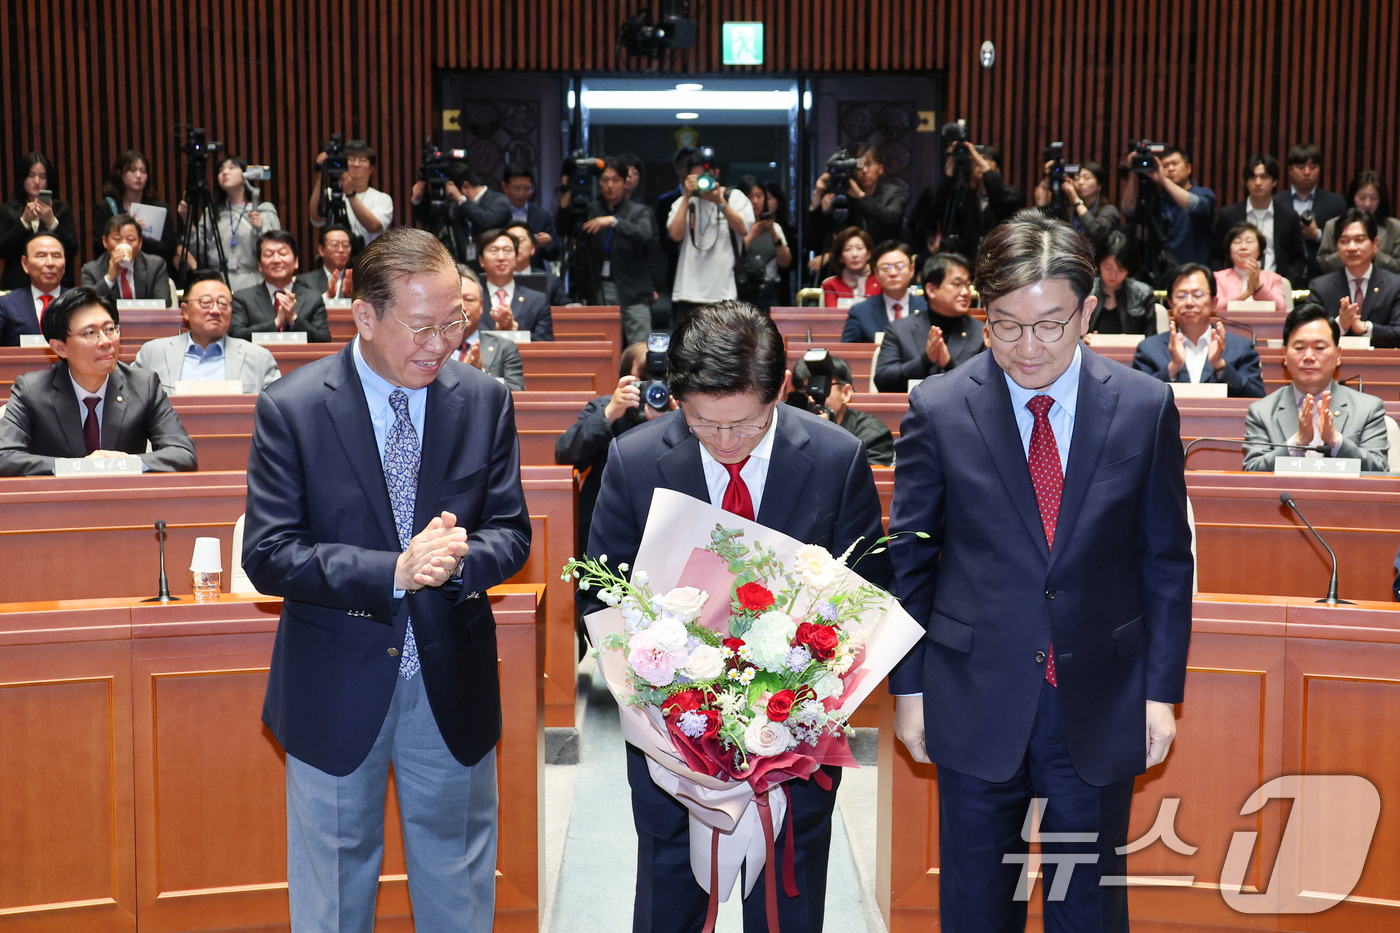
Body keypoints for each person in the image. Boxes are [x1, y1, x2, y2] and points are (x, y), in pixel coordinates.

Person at [888, 210, 1193, 933]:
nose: (1028, 348)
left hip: (1099, 697)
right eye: (1006, 325)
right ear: (982, 316)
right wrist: (910, 688)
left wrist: (1160, 693)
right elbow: (910, 560)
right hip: (973, 694)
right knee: (975, 906)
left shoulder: (1144, 406)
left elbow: (1165, 561)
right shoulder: (939, 406)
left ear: (1087, 312)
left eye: (1050, 325)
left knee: (1085, 906)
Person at [243, 227, 531, 933]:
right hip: (334, 680)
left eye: (453, 322)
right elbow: (269, 552)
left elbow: (511, 531)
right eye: (422, 327)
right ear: (364, 316)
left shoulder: (484, 400)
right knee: (335, 891)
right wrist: (393, 571)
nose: (442, 344)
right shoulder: (293, 407)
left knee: (457, 879)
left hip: (450, 677)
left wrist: (459, 559)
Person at [583, 300, 892, 933]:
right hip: (672, 734)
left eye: (746, 424)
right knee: (670, 897)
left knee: (786, 899)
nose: (726, 442)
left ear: (780, 389)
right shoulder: (634, 461)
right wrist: (665, 687)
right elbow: (600, 594)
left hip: (794, 733)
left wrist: (797, 688)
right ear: (678, 397)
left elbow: (868, 592)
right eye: (703, 422)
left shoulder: (836, 458)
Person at [0, 287, 197, 476]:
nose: (105, 341)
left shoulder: (144, 385)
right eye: (90, 333)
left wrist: (122, 464)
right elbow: (4, 456)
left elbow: (182, 453)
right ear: (60, 348)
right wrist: (79, 467)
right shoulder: (31, 391)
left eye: (110, 329)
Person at [554, 341, 671, 555]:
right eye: (644, 379)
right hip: (608, 521)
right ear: (625, 381)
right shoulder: (605, 407)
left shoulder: (681, 411)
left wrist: (672, 422)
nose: (653, 388)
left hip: (664, 523)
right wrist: (609, 414)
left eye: (661, 379)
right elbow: (565, 455)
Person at [1243, 303, 1388, 472]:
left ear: (1338, 355)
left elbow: (1380, 470)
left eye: (1319, 348)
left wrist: (1336, 441)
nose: (1309, 356)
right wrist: (1296, 442)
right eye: (1299, 348)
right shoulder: (1262, 412)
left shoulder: (1368, 409)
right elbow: (1252, 471)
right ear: (1285, 355)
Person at [558, 157, 658, 344]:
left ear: (625, 182)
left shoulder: (638, 211)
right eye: (605, 180)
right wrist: (567, 192)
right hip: (599, 287)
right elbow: (563, 229)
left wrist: (614, 221)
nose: (610, 185)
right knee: (604, 344)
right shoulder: (591, 210)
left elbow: (645, 234)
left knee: (640, 345)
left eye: (615, 180)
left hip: (632, 289)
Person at [133, 270, 281, 393]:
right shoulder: (153, 354)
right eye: (205, 302)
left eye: (223, 303)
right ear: (185, 311)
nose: (215, 310)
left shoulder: (259, 358)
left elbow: (275, 410)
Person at [1132, 263, 1264, 397]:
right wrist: (1172, 368)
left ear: (1213, 302)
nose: (1189, 302)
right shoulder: (1149, 349)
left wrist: (1220, 366)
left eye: (1198, 295)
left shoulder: (1241, 348)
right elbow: (1137, 397)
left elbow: (1257, 398)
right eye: (1181, 295)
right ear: (1170, 303)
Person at [874, 252, 985, 392]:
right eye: (957, 284)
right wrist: (925, 361)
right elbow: (882, 380)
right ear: (931, 290)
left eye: (967, 285)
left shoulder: (981, 332)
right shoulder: (899, 329)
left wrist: (949, 364)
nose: (965, 292)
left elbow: (985, 384)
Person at [667, 152, 753, 324]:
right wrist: (687, 197)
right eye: (696, 177)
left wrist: (719, 201)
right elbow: (675, 235)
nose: (702, 182)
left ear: (716, 174)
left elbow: (743, 229)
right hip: (688, 291)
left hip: (724, 293)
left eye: (705, 176)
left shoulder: (734, 197)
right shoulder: (683, 202)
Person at [180, 155, 282, 291]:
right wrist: (187, 219)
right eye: (221, 170)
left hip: (254, 282)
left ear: (246, 174)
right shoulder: (212, 212)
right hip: (219, 282)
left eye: (232, 168)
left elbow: (278, 247)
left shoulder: (263, 210)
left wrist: (261, 228)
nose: (225, 172)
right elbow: (199, 251)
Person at [910, 138, 1023, 259]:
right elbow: (937, 209)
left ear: (997, 168)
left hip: (1000, 258)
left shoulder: (1011, 194)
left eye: (985, 159)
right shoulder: (963, 195)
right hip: (966, 260)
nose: (978, 164)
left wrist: (987, 171)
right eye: (974, 160)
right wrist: (949, 173)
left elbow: (1000, 204)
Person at [1306, 208, 1400, 348]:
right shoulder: (1320, 287)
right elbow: (1307, 332)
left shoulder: (1395, 285)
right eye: (1344, 241)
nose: (1351, 247)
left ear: (1374, 243)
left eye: (1359, 240)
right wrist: (1340, 325)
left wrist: (1365, 328)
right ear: (1337, 245)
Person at [1120, 145, 1218, 276]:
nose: (1170, 169)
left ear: (1188, 168)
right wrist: (1133, 171)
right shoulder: (1157, 198)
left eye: (1175, 164)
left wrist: (1164, 180)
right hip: (1161, 274)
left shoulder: (1203, 193)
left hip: (1193, 271)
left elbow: (1195, 205)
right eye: (1165, 166)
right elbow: (1129, 209)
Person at [807, 145, 908, 266]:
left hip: (885, 259)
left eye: (869, 165)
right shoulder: (844, 196)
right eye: (860, 166)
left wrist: (860, 196)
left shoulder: (895, 192)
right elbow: (817, 237)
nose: (864, 170)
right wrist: (817, 198)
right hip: (851, 264)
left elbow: (891, 218)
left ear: (880, 169)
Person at [1213, 155, 1307, 284]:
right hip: (1236, 286)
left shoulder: (1288, 216)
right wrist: (1225, 282)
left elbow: (1298, 258)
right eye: (1253, 177)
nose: (1258, 182)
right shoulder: (1229, 215)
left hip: (1276, 284)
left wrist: (1285, 283)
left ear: (1274, 182)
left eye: (1264, 177)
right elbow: (1216, 256)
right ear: (1246, 182)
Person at [788, 354, 894, 465]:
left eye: (821, 388)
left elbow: (867, 474)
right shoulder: (789, 429)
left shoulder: (872, 435)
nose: (811, 398)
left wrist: (828, 436)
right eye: (805, 390)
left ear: (845, 393)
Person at [230, 231, 331, 342]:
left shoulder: (313, 299)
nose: (276, 260)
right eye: (269, 255)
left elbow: (324, 339)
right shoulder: (243, 298)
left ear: (296, 262)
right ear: (259, 265)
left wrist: (293, 318)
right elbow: (235, 336)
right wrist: (275, 323)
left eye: (283, 254)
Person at [0, 152, 79, 290]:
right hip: (18, 285)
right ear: (23, 178)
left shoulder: (62, 210)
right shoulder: (8, 210)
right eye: (31, 175)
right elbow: (2, 251)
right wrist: (24, 222)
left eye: (42, 176)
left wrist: (52, 222)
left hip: (56, 286)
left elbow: (72, 249)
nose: (37, 181)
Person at [411, 164, 513, 266]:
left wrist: (461, 200)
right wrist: (417, 199)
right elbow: (428, 221)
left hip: (492, 265)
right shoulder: (454, 206)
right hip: (460, 264)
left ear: (465, 186)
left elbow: (487, 221)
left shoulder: (499, 201)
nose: (449, 195)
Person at [93, 149, 178, 264]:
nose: (138, 176)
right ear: (120, 173)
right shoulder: (106, 207)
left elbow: (170, 249)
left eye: (143, 171)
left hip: (151, 268)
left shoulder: (160, 208)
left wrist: (137, 235)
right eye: (132, 170)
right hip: (115, 265)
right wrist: (125, 231)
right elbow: (98, 246)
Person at [309, 140, 394, 248]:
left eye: (362, 160)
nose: (356, 164)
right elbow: (316, 219)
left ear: (371, 168)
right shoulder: (331, 193)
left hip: (367, 256)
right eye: (351, 159)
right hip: (336, 256)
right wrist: (322, 172)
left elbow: (374, 227)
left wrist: (350, 194)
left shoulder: (381, 198)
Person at [451, 266, 525, 390]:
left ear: (481, 306)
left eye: (469, 299)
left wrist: (482, 375)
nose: (462, 307)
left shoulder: (504, 347)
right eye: (456, 299)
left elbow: (517, 391)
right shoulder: (432, 345)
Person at [1279, 143, 1347, 277]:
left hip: (1324, 275)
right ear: (1290, 170)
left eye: (1313, 167)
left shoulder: (1335, 202)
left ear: (1320, 169)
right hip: (1284, 275)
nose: (1307, 172)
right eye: (1300, 167)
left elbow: (1344, 242)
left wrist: (1317, 235)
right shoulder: (1277, 202)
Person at [477, 229, 553, 341]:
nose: (501, 257)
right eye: (493, 251)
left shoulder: (537, 300)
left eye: (507, 251)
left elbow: (546, 344)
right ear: (481, 260)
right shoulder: (471, 298)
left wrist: (514, 329)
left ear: (516, 258)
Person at [842, 241, 926, 343]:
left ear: (911, 270)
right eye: (886, 268)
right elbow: (848, 350)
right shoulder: (860, 313)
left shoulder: (927, 308)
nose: (893, 273)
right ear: (876, 273)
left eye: (900, 266)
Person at [1317, 171, 1400, 273]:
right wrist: (1347, 251)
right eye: (1362, 198)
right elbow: (1324, 263)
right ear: (1353, 197)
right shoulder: (1333, 225)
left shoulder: (1395, 227)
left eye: (1373, 198)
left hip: (1384, 282)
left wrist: (1374, 253)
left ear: (1381, 199)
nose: (1367, 203)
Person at [79, 214, 171, 303]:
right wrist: (109, 278)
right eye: (117, 239)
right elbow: (86, 305)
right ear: (105, 241)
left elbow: (164, 301)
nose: (124, 244)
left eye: (130, 239)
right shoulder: (90, 270)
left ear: (140, 243)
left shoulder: (155, 266)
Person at [0, 234, 68, 345]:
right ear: (25, 264)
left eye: (56, 256)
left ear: (64, 264)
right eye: (41, 256)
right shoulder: (6, 304)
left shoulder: (79, 303)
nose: (50, 263)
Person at [1086, 231, 1156, 335]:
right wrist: (1082, 341)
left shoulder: (1143, 294)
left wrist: (1130, 341)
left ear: (1129, 268)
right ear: (1099, 263)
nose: (1113, 275)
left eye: (1121, 269)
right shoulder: (1084, 290)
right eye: (1108, 268)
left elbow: (1152, 338)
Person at [739, 177, 793, 307]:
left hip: (769, 290)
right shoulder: (736, 227)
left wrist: (774, 234)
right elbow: (734, 256)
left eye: (759, 196)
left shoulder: (775, 228)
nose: (755, 201)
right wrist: (752, 234)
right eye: (750, 197)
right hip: (742, 288)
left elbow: (785, 262)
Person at [1213, 223, 1289, 312]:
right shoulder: (1218, 278)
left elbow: (1281, 308)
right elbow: (1213, 307)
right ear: (1229, 250)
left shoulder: (1273, 278)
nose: (1243, 247)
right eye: (1237, 242)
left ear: (1259, 249)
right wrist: (1245, 294)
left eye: (1249, 241)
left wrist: (1259, 286)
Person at [501, 165, 560, 261]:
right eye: (516, 188)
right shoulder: (494, 214)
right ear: (505, 187)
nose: (521, 194)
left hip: (532, 268)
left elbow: (554, 254)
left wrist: (548, 243)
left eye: (526, 188)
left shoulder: (542, 216)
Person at [504, 221, 567, 306]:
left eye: (520, 240)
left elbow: (567, 308)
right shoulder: (491, 279)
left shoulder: (550, 281)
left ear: (533, 248)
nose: (516, 245)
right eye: (511, 241)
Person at [820, 227, 881, 308]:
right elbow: (832, 313)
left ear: (868, 254)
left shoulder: (881, 280)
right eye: (848, 249)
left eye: (859, 248)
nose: (854, 254)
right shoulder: (831, 285)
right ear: (840, 257)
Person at [296, 225, 354, 301]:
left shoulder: (359, 281)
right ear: (321, 250)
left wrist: (350, 296)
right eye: (335, 245)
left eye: (345, 245)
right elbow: (304, 306)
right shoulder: (305, 281)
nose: (341, 250)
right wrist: (327, 296)